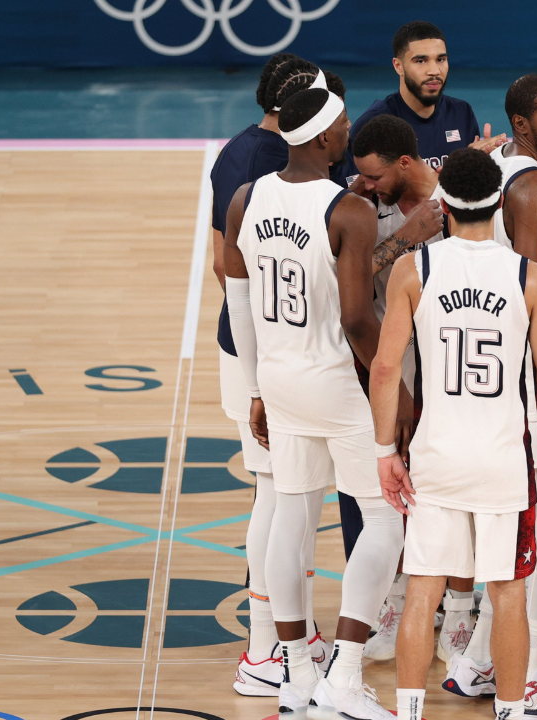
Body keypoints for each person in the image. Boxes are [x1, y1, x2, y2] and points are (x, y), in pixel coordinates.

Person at [370, 147, 537, 720]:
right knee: (507, 595)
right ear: (499, 204)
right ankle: (510, 711)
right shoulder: (528, 277)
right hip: (504, 458)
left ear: (445, 203)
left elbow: (386, 369)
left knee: (422, 592)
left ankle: (409, 712)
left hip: (437, 455)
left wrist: (386, 450)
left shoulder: (416, 269)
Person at [222, 87, 410, 718]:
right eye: (346, 126)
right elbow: (358, 318)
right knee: (384, 521)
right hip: (334, 378)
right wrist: (395, 388)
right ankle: (346, 677)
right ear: (328, 138)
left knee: (292, 518)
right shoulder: (348, 209)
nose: (350, 134)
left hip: (278, 378)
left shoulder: (247, 199)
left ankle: (296, 675)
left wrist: (254, 387)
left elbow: (239, 300)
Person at [443, 73, 537, 717]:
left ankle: (480, 663)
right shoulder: (531, 185)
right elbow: (532, 294)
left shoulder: (494, 166)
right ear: (524, 125)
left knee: (533, 525)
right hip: (529, 382)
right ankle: (526, 676)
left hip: (484, 377)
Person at [212, 54, 337, 695]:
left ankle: (293, 632)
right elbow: (224, 265)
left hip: (271, 349)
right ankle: (265, 648)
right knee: (276, 494)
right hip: (262, 352)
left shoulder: (246, 154)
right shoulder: (256, 162)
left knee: (293, 496)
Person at [347, 115, 451, 663]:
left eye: (375, 177)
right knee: (397, 491)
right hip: (395, 373)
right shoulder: (363, 207)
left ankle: (456, 614)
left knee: (448, 490)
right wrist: (405, 243)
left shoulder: (460, 198)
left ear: (406, 165)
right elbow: (351, 282)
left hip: (454, 374)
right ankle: (393, 606)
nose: (364, 184)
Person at [348, 21, 504, 173]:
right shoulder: (371, 126)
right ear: (398, 66)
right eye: (421, 61)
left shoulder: (461, 112)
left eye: (440, 60)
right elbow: (356, 193)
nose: (434, 71)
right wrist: (459, 168)